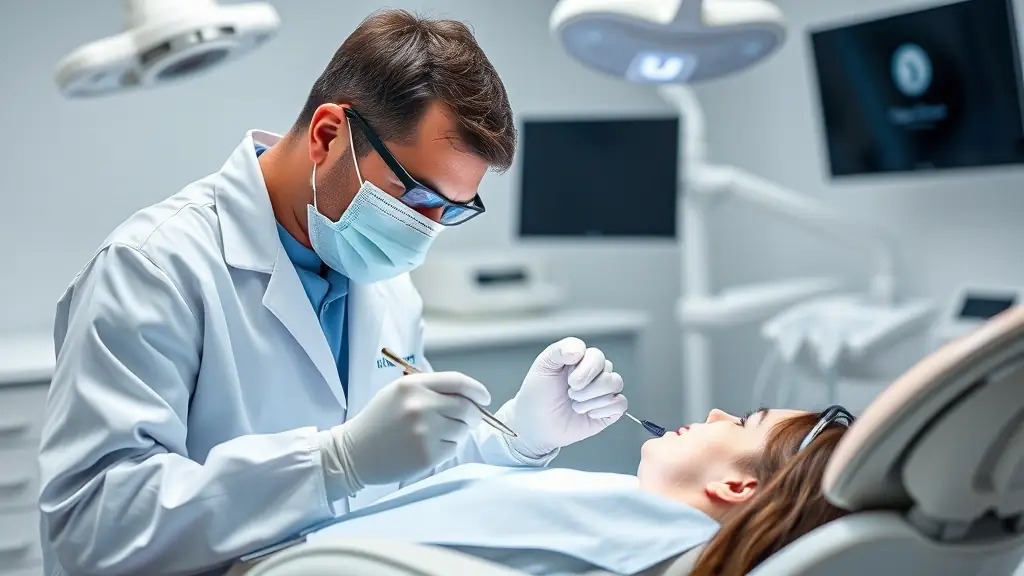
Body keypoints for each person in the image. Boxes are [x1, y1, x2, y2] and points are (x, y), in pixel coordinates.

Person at [37, 9, 627, 576]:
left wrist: (517, 436)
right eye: (416, 196)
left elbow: (404, 476)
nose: (424, 230)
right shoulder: (153, 267)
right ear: (327, 134)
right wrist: (330, 463)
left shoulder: (387, 285)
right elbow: (94, 526)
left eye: (450, 210)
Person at [230, 406, 855, 576]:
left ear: (739, 484)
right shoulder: (637, 527)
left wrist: (340, 462)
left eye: (743, 422)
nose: (718, 413)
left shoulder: (648, 528)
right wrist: (519, 439)